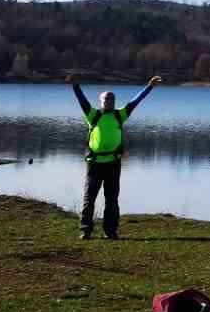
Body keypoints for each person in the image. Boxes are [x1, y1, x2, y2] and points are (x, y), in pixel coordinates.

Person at [67, 73, 161, 241]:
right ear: (101, 101)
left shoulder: (120, 115)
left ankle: (110, 231)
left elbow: (135, 102)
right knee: (89, 199)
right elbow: (81, 100)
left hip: (113, 164)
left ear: (114, 102)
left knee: (112, 200)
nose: (108, 102)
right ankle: (85, 231)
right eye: (105, 99)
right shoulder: (93, 115)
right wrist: (75, 85)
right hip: (94, 164)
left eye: (111, 100)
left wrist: (149, 87)